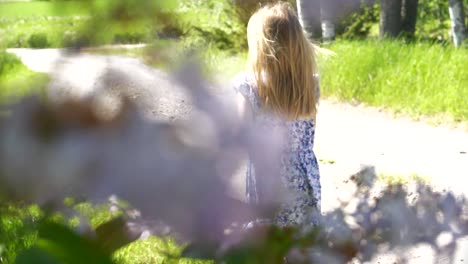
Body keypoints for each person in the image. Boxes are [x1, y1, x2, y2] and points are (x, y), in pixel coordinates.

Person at [233, 2, 321, 228]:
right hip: (303, 178)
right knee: (301, 242)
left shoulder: (248, 86)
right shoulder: (310, 83)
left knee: (268, 242)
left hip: (267, 179)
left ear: (261, 47)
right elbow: (309, 132)